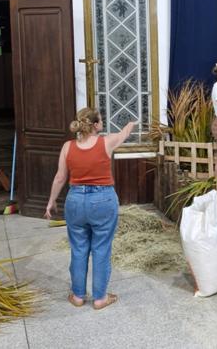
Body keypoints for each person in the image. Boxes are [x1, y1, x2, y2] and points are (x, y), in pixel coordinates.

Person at [45, 107, 136, 309]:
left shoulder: (68, 147)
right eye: (101, 121)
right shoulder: (107, 142)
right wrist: (131, 123)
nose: (102, 123)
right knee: (101, 249)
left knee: (78, 249)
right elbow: (125, 133)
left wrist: (51, 201)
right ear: (95, 125)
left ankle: (78, 296)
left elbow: (60, 177)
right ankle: (100, 298)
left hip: (75, 200)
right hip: (102, 200)